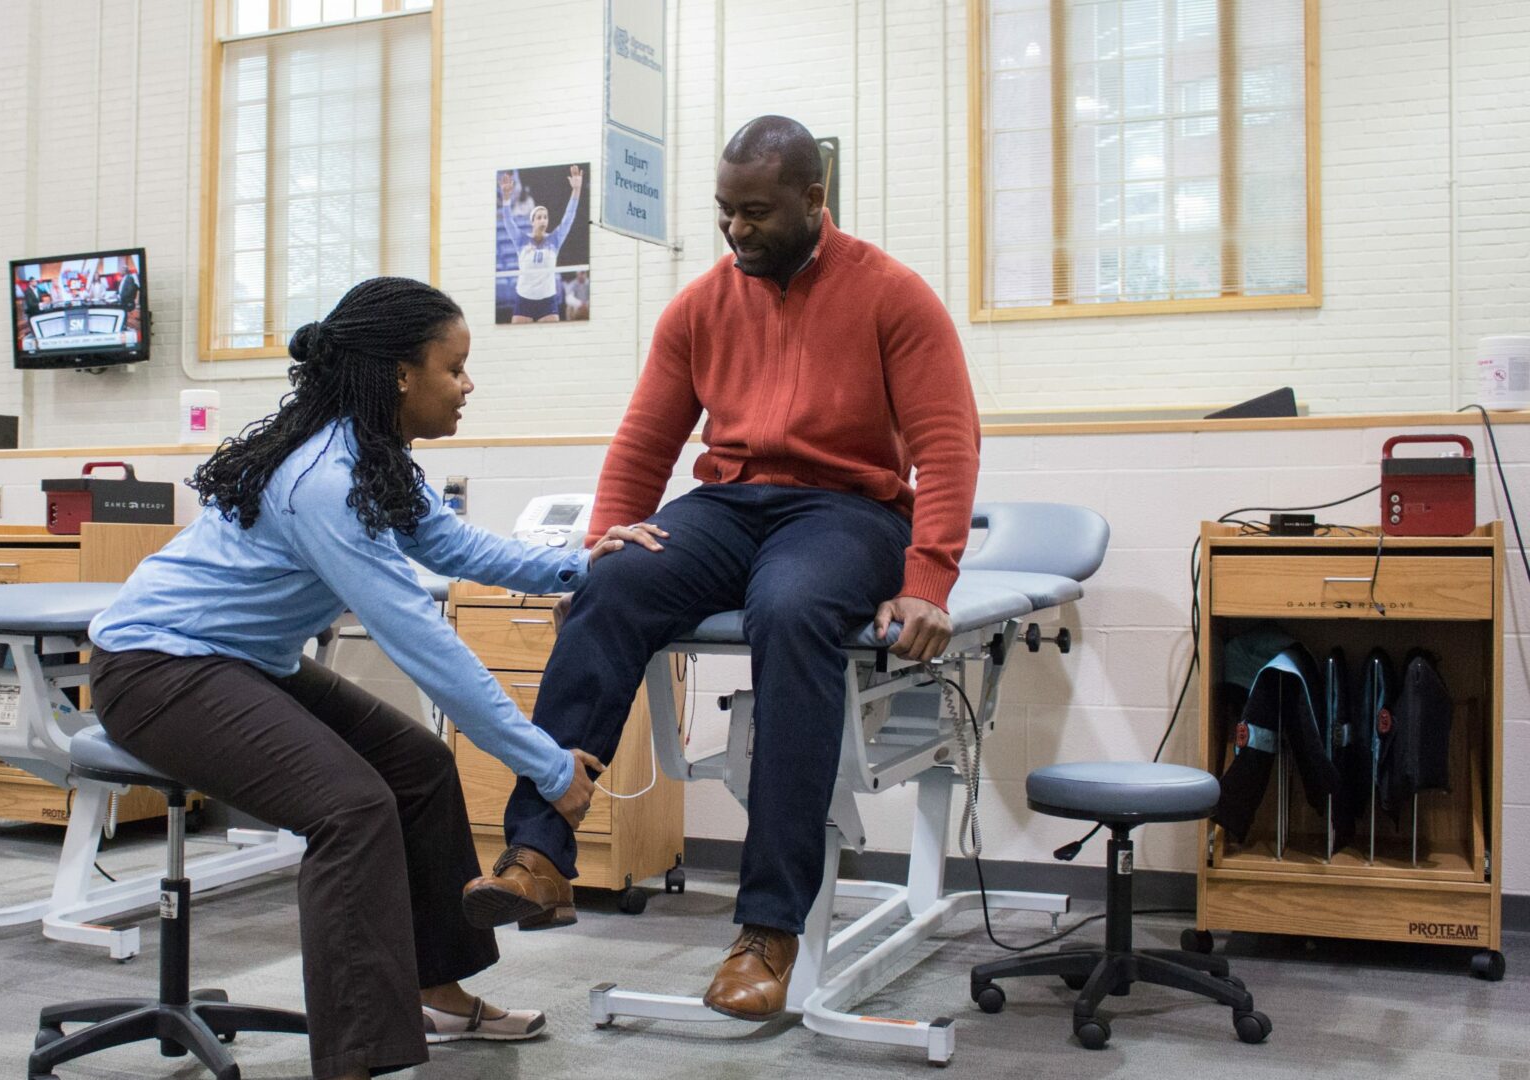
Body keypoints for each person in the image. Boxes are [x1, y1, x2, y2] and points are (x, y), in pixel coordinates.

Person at [463, 116, 981, 1022]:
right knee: (613, 583)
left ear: (814, 200)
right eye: (724, 213)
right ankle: (540, 854)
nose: (737, 231)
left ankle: (767, 932)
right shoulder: (701, 303)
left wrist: (927, 578)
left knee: (790, 607)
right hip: (730, 501)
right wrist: (609, 537)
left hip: (846, 510)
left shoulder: (894, 296)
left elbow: (947, 447)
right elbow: (645, 442)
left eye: (757, 213)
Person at [87, 276, 656, 1080]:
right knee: (351, 810)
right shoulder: (325, 479)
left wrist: (579, 566)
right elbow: (426, 644)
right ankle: (359, 1060)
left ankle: (438, 993)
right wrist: (546, 763)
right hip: (155, 669)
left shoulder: (375, 457)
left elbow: (459, 549)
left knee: (418, 767)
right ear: (399, 373)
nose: (467, 385)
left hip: (235, 662)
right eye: (453, 368)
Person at [499, 165, 582, 323]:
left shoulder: (555, 240)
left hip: (547, 300)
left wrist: (576, 190)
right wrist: (506, 198)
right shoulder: (521, 240)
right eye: (539, 217)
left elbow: (568, 217)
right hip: (524, 300)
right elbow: (508, 221)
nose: (543, 220)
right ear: (532, 221)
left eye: (545, 217)